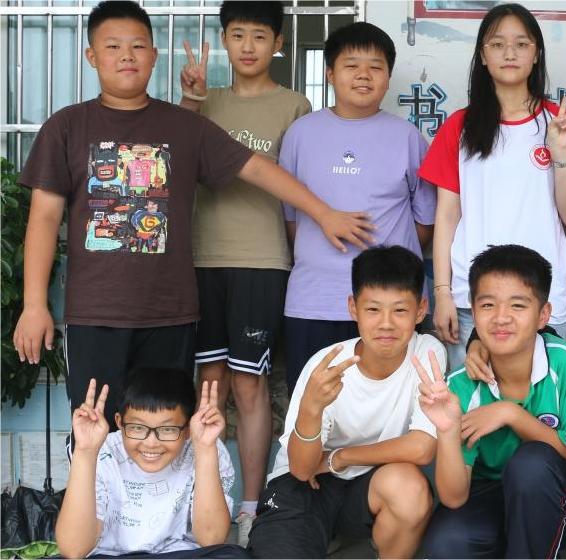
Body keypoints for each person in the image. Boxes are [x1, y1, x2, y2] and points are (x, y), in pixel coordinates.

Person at [11, 0, 374, 436]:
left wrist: (323, 213)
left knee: (168, 433)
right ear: (92, 56)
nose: (126, 56)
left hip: (171, 316)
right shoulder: (66, 127)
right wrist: (34, 304)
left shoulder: (185, 127)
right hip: (95, 314)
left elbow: (258, 170)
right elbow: (43, 219)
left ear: (153, 55)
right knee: (95, 433)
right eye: (113, 46)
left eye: (137, 46)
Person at [177, 2, 312, 542]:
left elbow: (299, 187)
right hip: (200, 257)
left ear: (278, 43)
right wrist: (191, 99)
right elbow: (174, 166)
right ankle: (202, 500)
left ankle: (252, 507)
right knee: (208, 384)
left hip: (263, 259)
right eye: (238, 35)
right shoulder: (204, 101)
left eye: (260, 35)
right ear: (224, 40)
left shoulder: (295, 106)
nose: (248, 46)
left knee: (249, 383)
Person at [420, 3, 566, 370]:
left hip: (542, 298)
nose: (509, 53)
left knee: (543, 398)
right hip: (473, 299)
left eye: (521, 44)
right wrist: (442, 292)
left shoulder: (560, 123)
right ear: (482, 56)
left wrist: (560, 152)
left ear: (536, 54)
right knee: (471, 397)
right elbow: (447, 216)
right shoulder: (459, 126)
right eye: (498, 44)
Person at [248, 246, 443, 559]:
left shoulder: (427, 352)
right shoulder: (326, 365)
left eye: (400, 310)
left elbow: (422, 448)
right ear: (353, 308)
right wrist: (312, 407)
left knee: (410, 489)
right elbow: (301, 469)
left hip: (367, 484)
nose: (386, 323)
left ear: (421, 310)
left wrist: (340, 457)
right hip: (306, 485)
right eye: (373, 309)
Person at [416, 244, 566, 559]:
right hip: (494, 492)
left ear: (543, 315)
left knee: (529, 464)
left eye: (518, 305)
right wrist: (447, 431)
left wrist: (510, 414)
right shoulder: (460, 384)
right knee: (446, 543)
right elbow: (454, 498)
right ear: (473, 311)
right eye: (488, 305)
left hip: (563, 495)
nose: (501, 318)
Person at [280, 22, 435, 396]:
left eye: (375, 67)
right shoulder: (300, 133)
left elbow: (425, 223)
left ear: (388, 77)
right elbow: (290, 219)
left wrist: (386, 256)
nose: (364, 75)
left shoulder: (408, 137)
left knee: (392, 407)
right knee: (313, 406)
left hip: (390, 307)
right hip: (314, 300)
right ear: (330, 73)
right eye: (351, 65)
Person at [56, 372, 245, 558]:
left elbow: (212, 539)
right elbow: (73, 549)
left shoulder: (206, 446)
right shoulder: (102, 450)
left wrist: (205, 449)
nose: (151, 443)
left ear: (188, 429)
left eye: (167, 429)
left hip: (182, 555)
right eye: (138, 428)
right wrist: (85, 451)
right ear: (120, 422)